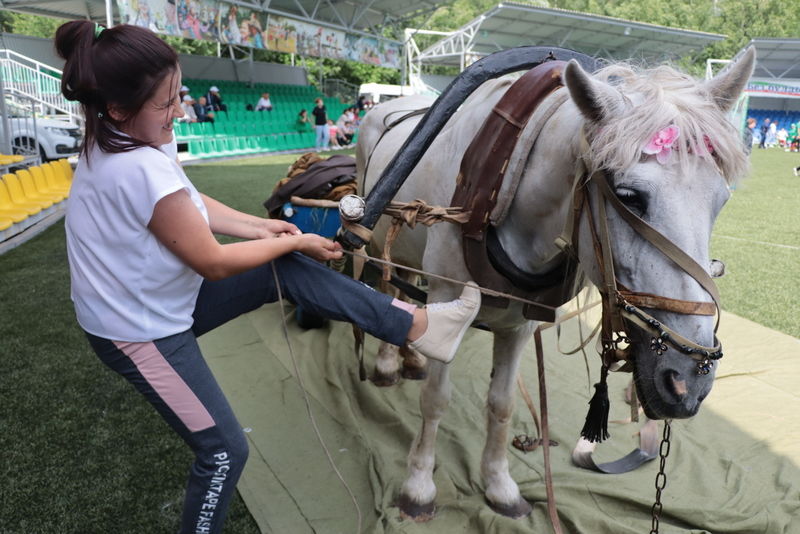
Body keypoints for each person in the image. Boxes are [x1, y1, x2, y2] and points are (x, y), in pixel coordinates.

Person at [55, 21, 481, 534]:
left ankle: (417, 327)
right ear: (120, 108)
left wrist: (260, 226)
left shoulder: (123, 138)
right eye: (165, 104)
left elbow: (185, 200)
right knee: (223, 452)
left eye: (179, 95)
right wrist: (295, 238)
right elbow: (211, 261)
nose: (180, 111)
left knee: (283, 265)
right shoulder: (134, 167)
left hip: (162, 304)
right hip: (139, 334)